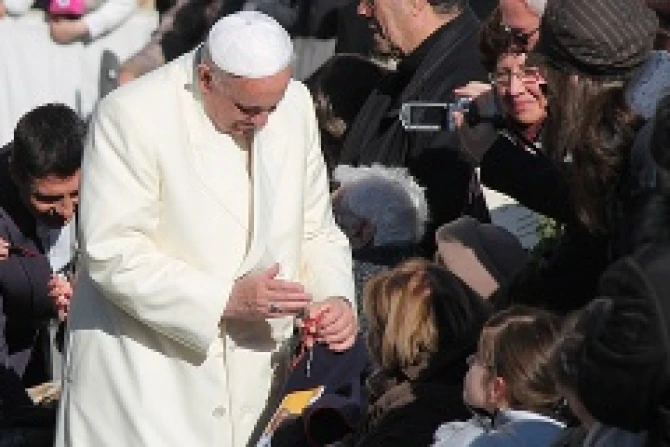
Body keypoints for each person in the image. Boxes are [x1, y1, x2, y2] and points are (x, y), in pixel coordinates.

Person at [55, 11, 357, 447]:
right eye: (249, 109)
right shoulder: (130, 115)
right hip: (148, 382)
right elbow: (111, 250)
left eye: (271, 107)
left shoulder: (293, 107)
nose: (263, 123)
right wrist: (224, 299)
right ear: (206, 78)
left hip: (255, 382)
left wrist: (333, 299)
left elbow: (315, 229)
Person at [338, 0, 491, 256]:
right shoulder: (416, 71)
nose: (362, 10)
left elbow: (438, 208)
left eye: (371, 1)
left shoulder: (462, 80)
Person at [353, 258, 490, 446]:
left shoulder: (413, 411)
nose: (370, 334)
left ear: (394, 332)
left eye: (377, 325)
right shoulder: (478, 379)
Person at [433, 306, 565, 446]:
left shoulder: (487, 442)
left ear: (496, 388)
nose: (468, 360)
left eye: (477, 358)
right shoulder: (564, 434)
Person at [331, 164, 427, 319]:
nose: (326, 229)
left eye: (334, 218)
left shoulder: (345, 288)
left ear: (362, 232)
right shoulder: (433, 280)